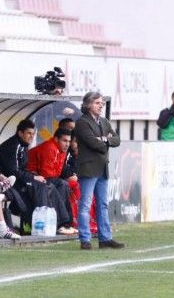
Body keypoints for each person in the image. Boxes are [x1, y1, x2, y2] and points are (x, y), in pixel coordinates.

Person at [0, 119, 71, 234]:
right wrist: (32, 177)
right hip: (7, 182)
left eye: (33, 133)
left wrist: (33, 175)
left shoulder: (23, 145)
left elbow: (22, 169)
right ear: (20, 133)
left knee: (48, 185)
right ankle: (42, 225)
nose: (31, 136)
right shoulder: (13, 145)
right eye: (29, 133)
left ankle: (61, 223)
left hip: (19, 179)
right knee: (41, 187)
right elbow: (13, 171)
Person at [75, 91, 124, 250]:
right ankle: (85, 239)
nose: (101, 105)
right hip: (89, 168)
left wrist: (104, 139)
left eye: (101, 103)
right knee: (86, 204)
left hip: (102, 168)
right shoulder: (82, 122)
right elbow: (93, 144)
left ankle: (105, 238)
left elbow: (117, 140)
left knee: (103, 204)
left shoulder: (104, 121)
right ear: (88, 104)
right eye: (97, 103)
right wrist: (105, 141)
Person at [27, 128, 77, 235]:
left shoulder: (62, 150)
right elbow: (47, 175)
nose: (67, 144)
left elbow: (57, 173)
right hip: (29, 177)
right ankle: (62, 223)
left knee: (65, 184)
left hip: (42, 178)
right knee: (60, 184)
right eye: (64, 140)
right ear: (56, 139)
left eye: (69, 141)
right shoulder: (50, 148)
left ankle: (65, 224)